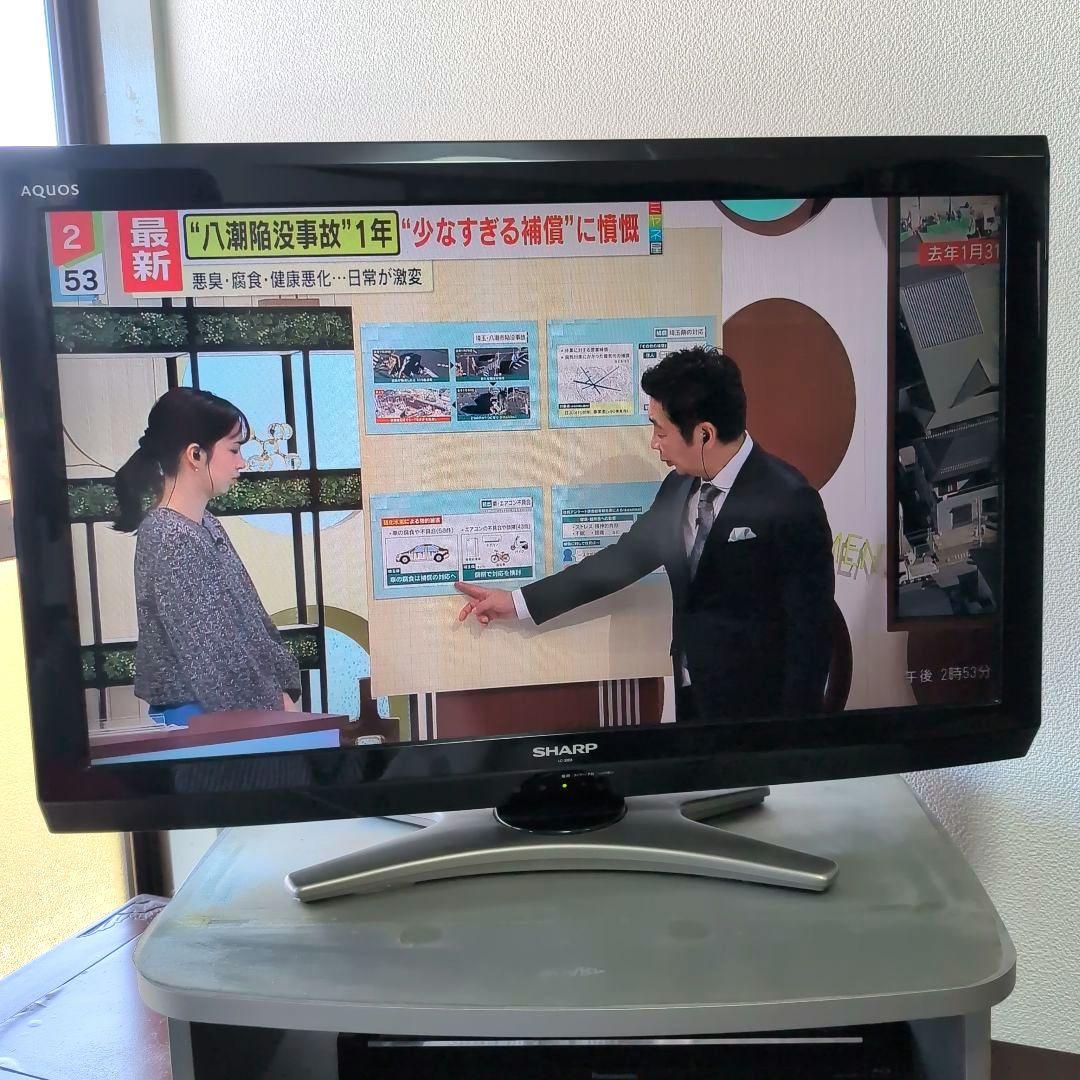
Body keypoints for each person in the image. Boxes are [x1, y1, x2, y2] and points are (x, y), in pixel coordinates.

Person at [454, 346, 835, 723]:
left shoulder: (789, 501)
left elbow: (811, 638)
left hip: (760, 720)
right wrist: (517, 602)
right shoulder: (678, 488)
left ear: (705, 434)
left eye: (660, 430)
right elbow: (621, 562)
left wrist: (792, 742)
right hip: (693, 707)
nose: (654, 443)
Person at [114, 388, 301, 725]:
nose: (241, 462)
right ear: (195, 455)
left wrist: (281, 694)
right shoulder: (170, 537)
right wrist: (275, 707)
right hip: (202, 722)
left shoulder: (204, 523)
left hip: (234, 715)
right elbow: (213, 659)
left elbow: (253, 623)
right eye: (234, 449)